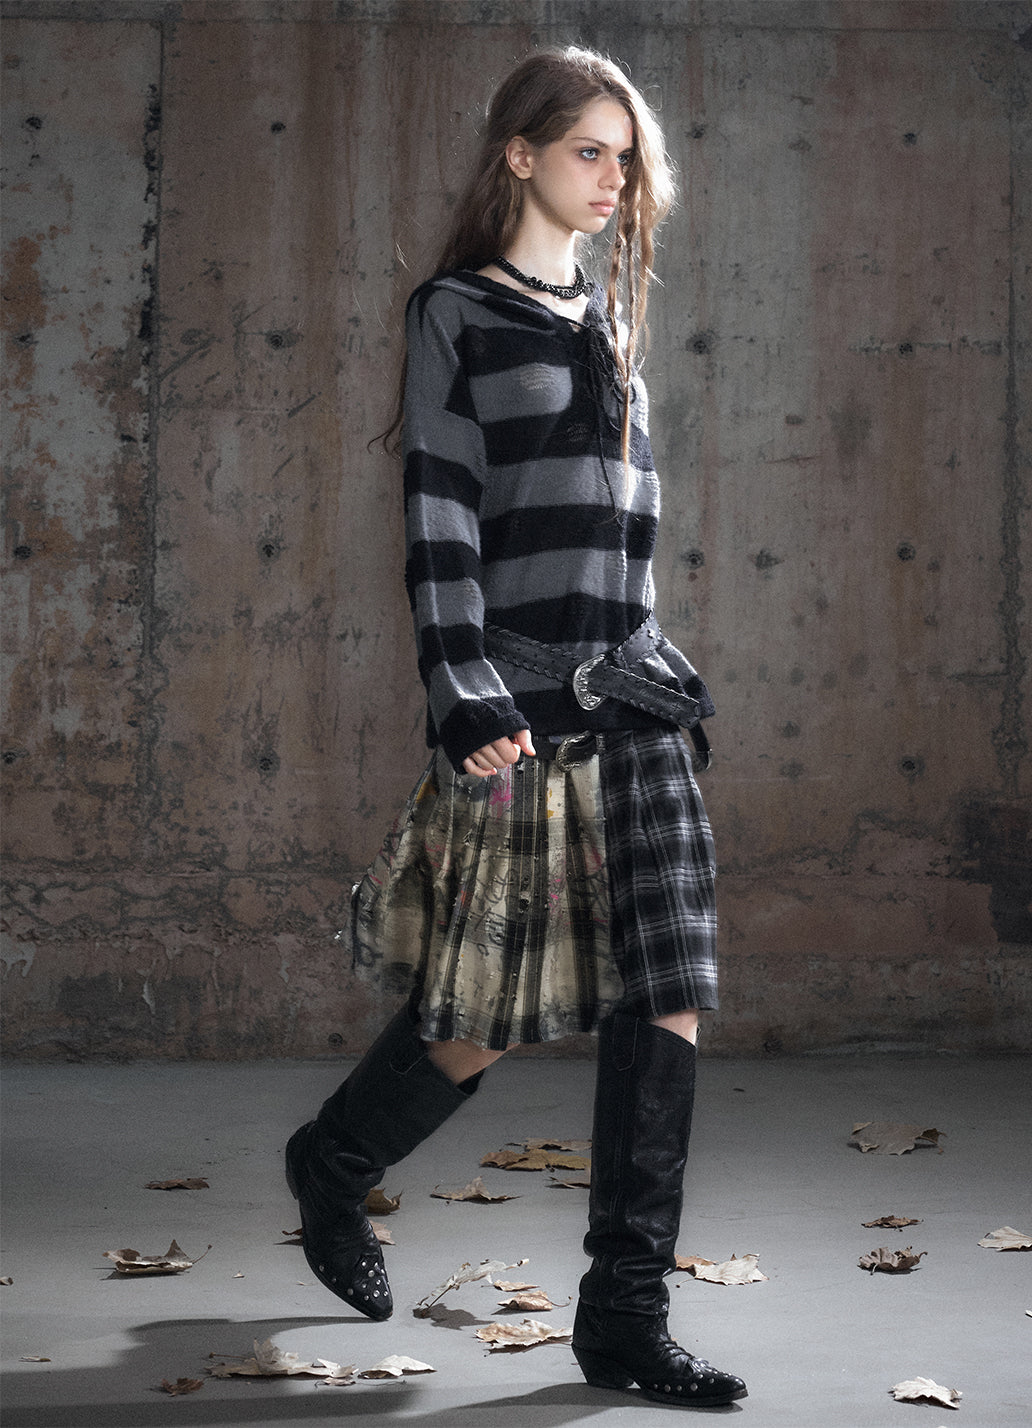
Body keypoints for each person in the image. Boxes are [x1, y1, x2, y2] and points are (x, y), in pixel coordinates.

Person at [285, 46, 747, 1409]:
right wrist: (464, 688)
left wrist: (652, 655)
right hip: (521, 706)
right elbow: (438, 518)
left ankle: (625, 1321)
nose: (613, 179)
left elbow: (622, 530)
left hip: (636, 698)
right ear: (521, 154)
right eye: (588, 150)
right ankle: (333, 1163)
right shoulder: (456, 313)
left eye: (626, 158)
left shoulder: (609, 316)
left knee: (667, 996)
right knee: (483, 1019)